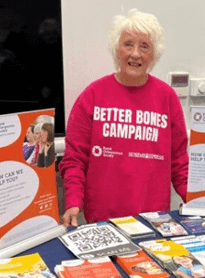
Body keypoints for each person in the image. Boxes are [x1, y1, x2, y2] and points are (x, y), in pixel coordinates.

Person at [59, 9, 189, 227]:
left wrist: (196, 200)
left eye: (144, 46)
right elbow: (74, 159)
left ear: (153, 54)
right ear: (116, 50)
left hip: (154, 220)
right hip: (102, 219)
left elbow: (179, 162)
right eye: (128, 44)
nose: (135, 54)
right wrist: (73, 201)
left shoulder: (167, 98)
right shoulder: (92, 95)